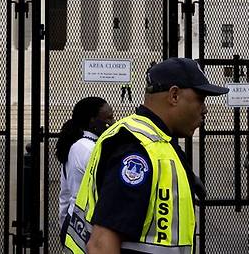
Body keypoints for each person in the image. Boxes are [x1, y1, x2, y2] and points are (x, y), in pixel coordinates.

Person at [64, 58, 229, 254]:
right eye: (200, 99)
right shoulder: (136, 151)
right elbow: (101, 245)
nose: (205, 110)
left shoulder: (156, 141)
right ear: (174, 95)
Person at [56, 97, 115, 247]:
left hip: (76, 220)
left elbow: (65, 195)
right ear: (92, 121)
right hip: (85, 223)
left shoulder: (80, 146)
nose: (113, 122)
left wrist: (64, 223)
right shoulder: (88, 149)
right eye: (108, 118)